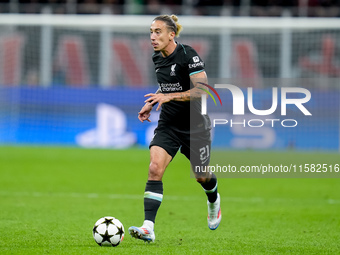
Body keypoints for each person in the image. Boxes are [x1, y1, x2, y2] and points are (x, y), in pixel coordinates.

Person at [128, 14, 221, 243]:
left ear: (172, 34)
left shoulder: (189, 55)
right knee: (154, 168)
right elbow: (165, 85)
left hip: (195, 126)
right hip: (169, 124)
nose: (152, 36)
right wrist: (151, 103)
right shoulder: (157, 58)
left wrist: (169, 96)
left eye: (158, 31)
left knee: (201, 176)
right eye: (151, 31)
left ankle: (213, 200)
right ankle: (148, 227)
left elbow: (202, 90)